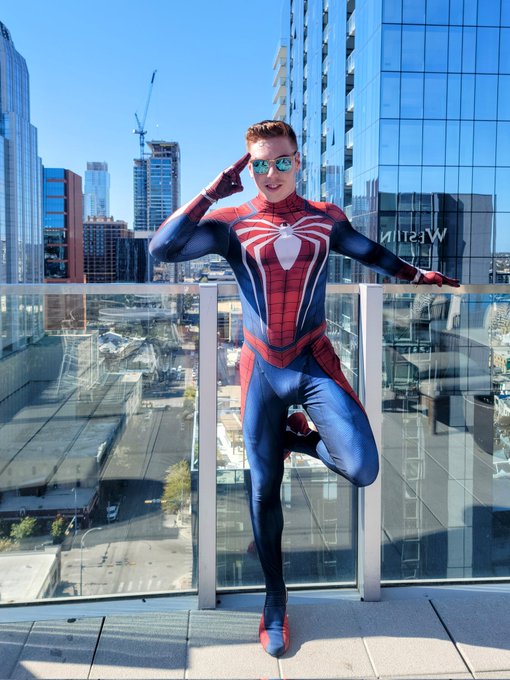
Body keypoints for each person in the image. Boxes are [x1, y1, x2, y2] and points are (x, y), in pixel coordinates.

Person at [149, 120, 459, 657]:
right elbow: (163, 249)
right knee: (263, 490)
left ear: (298, 162)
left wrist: (417, 277)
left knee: (361, 466)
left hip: (313, 359)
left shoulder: (325, 218)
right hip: (260, 368)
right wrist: (212, 191)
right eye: (259, 164)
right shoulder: (231, 222)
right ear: (248, 167)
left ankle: (295, 438)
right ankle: (275, 601)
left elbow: (370, 253)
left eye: (281, 161)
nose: (270, 173)